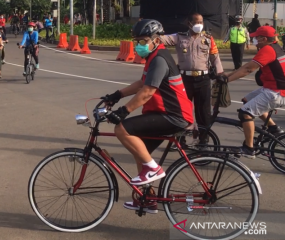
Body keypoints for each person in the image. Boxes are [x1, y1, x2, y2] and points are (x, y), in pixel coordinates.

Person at [103, 19, 193, 213]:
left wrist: (124, 111)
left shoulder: (159, 59)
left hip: (173, 115)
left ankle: (154, 170)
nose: (139, 45)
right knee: (140, 153)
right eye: (137, 41)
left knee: (122, 128)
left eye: (143, 41)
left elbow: (147, 92)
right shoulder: (154, 56)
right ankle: (149, 198)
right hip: (165, 113)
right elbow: (142, 83)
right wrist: (116, 95)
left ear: (156, 39)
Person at [217, 26, 285, 159]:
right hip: (273, 88)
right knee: (247, 100)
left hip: (276, 92)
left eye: (257, 37)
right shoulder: (275, 47)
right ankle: (274, 129)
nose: (254, 40)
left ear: (264, 39)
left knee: (245, 113)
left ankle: (249, 148)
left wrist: (227, 81)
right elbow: (246, 65)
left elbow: (248, 69)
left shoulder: (268, 50)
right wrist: (228, 75)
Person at [160, 13, 224, 145]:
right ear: (189, 23)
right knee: (182, 110)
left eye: (201, 22)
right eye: (196, 22)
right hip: (184, 80)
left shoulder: (207, 39)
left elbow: (215, 58)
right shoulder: (179, 37)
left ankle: (203, 140)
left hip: (203, 79)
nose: (199, 25)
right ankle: (179, 139)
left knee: (204, 112)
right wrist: (152, 33)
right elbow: (162, 39)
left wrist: (220, 74)